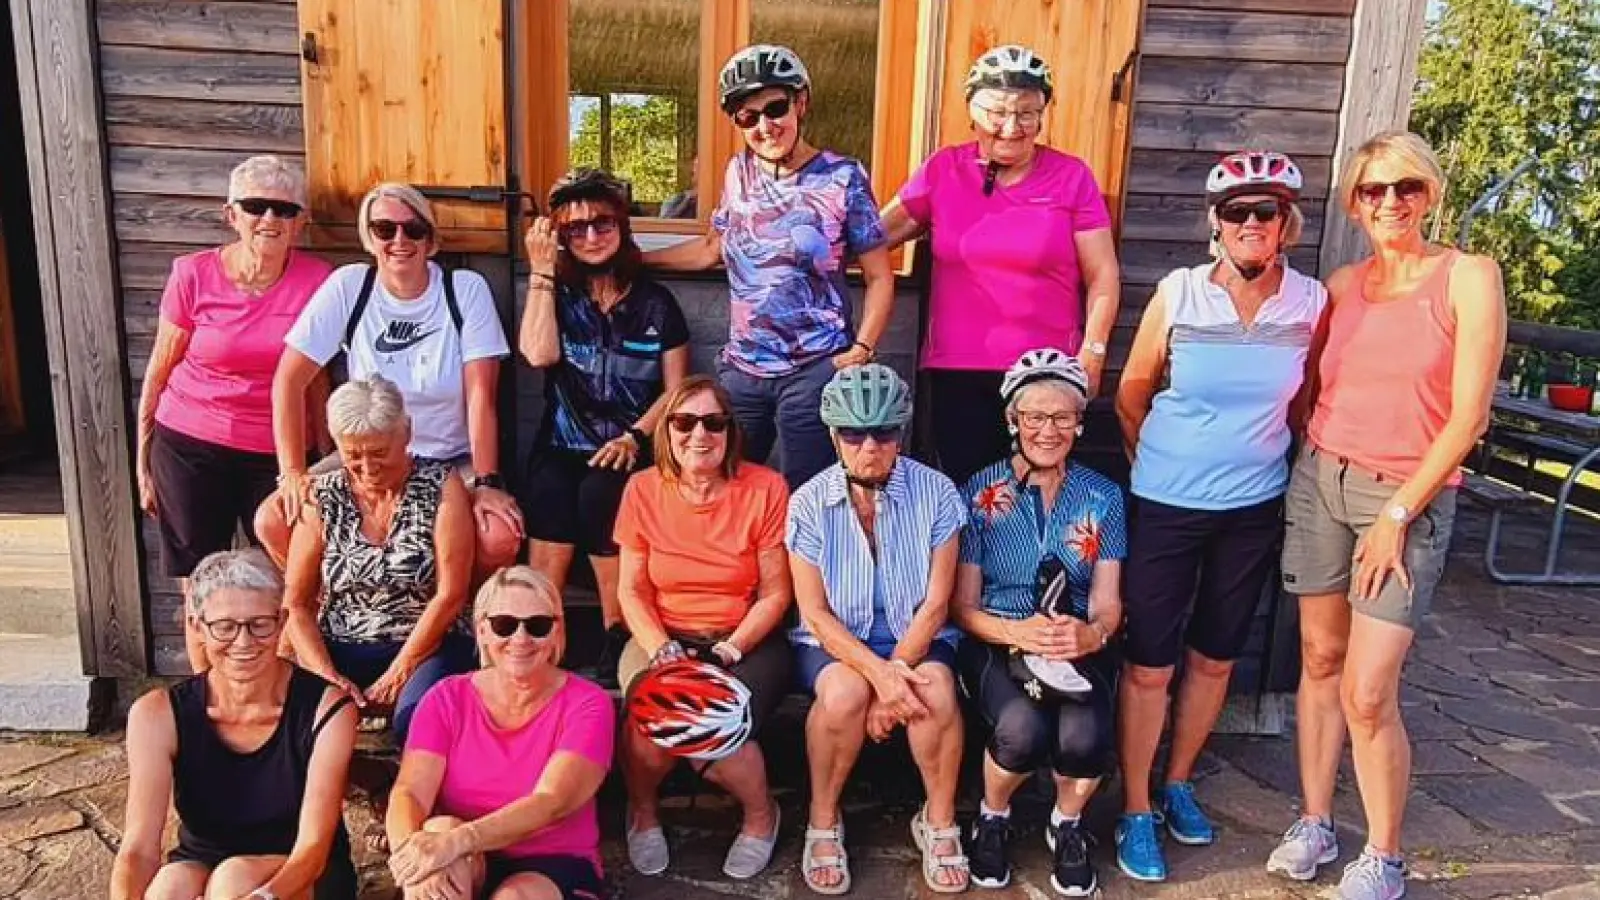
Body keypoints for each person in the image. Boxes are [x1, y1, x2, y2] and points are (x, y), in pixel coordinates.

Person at [1267, 132, 1505, 900]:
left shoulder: (1468, 278)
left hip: (1408, 497)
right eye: (1374, 190)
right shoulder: (1342, 285)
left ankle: (1385, 855)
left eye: (1407, 187)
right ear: (1354, 204)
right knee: (1319, 659)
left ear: (1430, 193)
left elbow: (1468, 418)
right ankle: (1313, 820)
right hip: (1322, 481)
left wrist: (1398, 513)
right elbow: (1310, 388)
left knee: (1369, 690)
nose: (1391, 202)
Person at [1110, 151, 1328, 882]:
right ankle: (1135, 806)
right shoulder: (1179, 293)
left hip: (1252, 506)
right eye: (1237, 211)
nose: (1251, 223)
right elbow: (1132, 394)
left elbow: (1303, 404)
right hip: (1167, 504)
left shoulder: (1310, 303)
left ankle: (1177, 782)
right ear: (1216, 222)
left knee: (1215, 656)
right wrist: (1160, 464)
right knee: (1150, 663)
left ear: (1287, 223)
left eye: (1266, 210)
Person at [642, 44, 895, 490]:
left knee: (806, 492)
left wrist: (861, 349)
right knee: (726, 485)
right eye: (748, 117)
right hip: (744, 369)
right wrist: (636, 260)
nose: (765, 126)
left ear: (801, 103)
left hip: (816, 366)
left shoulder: (843, 177)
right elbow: (711, 248)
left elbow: (879, 276)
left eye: (775, 108)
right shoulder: (737, 172)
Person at [878, 45, 1121, 485]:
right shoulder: (944, 170)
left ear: (1042, 115)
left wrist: (1094, 351)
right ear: (972, 112)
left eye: (1027, 113)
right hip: (958, 369)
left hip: (1045, 370)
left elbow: (1102, 274)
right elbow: (874, 236)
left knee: (1038, 491)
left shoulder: (1072, 177)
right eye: (997, 112)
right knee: (971, 493)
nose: (1011, 127)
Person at [132, 155, 333, 674]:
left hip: (277, 451)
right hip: (189, 443)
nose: (270, 219)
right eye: (256, 206)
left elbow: (317, 380)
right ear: (232, 215)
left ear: (301, 221)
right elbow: (159, 369)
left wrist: (323, 460)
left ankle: (276, 692)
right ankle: (206, 693)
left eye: (285, 209)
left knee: (289, 579)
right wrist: (143, 462)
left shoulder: (317, 280)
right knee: (200, 581)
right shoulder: (193, 274)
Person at [259, 181, 520, 576]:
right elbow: (288, 381)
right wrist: (293, 472)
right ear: (369, 238)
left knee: (498, 535)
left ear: (430, 240)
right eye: (384, 229)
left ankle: (461, 608)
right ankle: (333, 602)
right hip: (364, 458)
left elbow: (481, 397)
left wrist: (485, 482)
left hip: (448, 457)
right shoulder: (351, 286)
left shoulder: (464, 290)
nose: (399, 240)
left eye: (413, 229)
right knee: (273, 520)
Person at [787, 364, 969, 894]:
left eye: (884, 433)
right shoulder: (808, 503)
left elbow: (936, 604)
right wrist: (880, 677)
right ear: (833, 436)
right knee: (844, 693)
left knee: (934, 690)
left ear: (900, 434)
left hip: (916, 633)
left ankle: (938, 820)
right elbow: (815, 613)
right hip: (836, 640)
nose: (870, 446)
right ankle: (823, 819)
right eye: (853, 434)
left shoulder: (936, 493)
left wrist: (895, 678)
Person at [951, 350, 1125, 897]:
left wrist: (1091, 634)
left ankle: (1066, 824)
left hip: (1073, 641)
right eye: (1034, 417)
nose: (1048, 431)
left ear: (1079, 423)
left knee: (1086, 737)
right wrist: (1016, 633)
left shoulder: (1103, 496)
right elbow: (961, 607)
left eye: (1062, 417)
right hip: (998, 634)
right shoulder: (980, 494)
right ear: (1013, 420)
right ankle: (993, 815)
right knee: (1021, 730)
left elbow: (1108, 602)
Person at [612, 375, 793, 880]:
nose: (699, 434)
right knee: (651, 719)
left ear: (730, 431)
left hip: (745, 637)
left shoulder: (765, 488)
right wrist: (662, 648)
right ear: (666, 431)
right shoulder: (642, 489)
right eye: (684, 422)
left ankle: (761, 817)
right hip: (663, 632)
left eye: (713, 423)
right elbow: (632, 590)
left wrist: (730, 650)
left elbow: (776, 593)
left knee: (718, 721)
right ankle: (643, 811)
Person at [518, 169, 691, 686]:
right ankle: (545, 628)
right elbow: (538, 353)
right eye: (575, 228)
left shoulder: (656, 303)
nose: (591, 236)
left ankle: (617, 628)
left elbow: (676, 391)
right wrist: (542, 272)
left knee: (602, 490)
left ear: (621, 227)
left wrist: (635, 436)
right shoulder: (560, 296)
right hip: (563, 441)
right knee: (550, 486)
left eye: (602, 224)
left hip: (632, 444)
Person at [110, 549, 359, 900]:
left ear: (282, 621)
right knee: (170, 885)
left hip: (298, 873)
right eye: (225, 627)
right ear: (196, 627)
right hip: (202, 863)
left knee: (233, 879)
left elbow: (313, 849)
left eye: (260, 624)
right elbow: (138, 848)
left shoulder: (327, 710)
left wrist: (261, 898)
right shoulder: (156, 714)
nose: (243, 642)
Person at [385, 566, 614, 900]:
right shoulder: (446, 698)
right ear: (482, 631)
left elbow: (552, 802)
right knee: (436, 838)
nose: (520, 639)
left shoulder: (587, 703)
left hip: (548, 858)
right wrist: (411, 858)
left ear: (556, 632)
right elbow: (411, 793)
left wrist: (460, 840)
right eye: (504, 625)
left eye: (537, 625)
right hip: (463, 852)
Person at [280, 376, 477, 744]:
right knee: (303, 715)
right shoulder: (322, 496)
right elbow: (296, 603)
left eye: (380, 452)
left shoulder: (440, 485)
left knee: (418, 720)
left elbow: (451, 594)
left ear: (407, 434)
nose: (368, 467)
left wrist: (399, 671)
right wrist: (325, 675)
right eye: (354, 455)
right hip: (341, 641)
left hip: (424, 642)